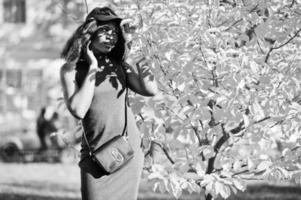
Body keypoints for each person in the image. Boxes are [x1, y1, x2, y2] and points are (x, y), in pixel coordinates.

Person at [60, 6, 158, 200]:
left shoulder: (119, 65)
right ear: (91, 31)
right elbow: (78, 110)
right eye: (105, 30)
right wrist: (93, 67)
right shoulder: (71, 69)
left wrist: (136, 48)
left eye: (115, 32)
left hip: (127, 152)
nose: (112, 36)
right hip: (96, 157)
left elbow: (151, 89)